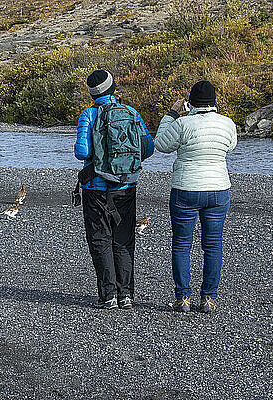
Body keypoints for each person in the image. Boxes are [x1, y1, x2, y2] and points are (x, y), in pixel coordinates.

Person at [155, 80, 237, 313]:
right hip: (218, 188)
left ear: (190, 103)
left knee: (182, 244)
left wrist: (171, 113)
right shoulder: (227, 123)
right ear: (214, 102)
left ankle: (183, 297)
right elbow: (230, 146)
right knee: (213, 246)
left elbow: (161, 144)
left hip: (186, 188)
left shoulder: (182, 123)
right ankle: (209, 298)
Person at [74, 70, 154, 310]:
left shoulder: (89, 114)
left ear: (91, 93)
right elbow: (147, 148)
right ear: (113, 88)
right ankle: (126, 295)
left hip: (96, 188)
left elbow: (82, 152)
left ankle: (108, 295)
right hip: (127, 184)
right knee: (124, 239)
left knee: (100, 239)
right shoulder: (131, 112)